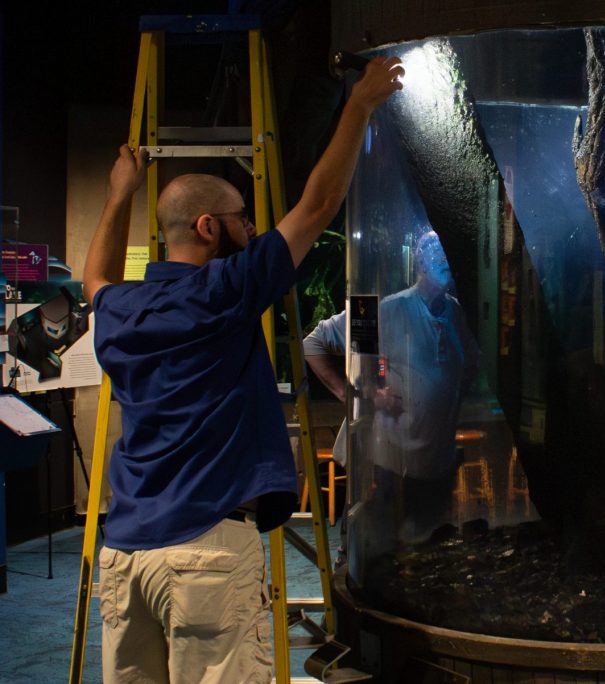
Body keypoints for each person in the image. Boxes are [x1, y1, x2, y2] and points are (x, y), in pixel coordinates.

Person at [82, 55, 403, 684]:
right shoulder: (221, 293)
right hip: (204, 552)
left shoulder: (121, 308)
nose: (253, 229)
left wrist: (120, 192)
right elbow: (314, 209)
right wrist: (358, 106)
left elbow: (95, 277)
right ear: (208, 227)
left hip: (123, 560)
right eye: (240, 220)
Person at [304, 231, 479, 554]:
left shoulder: (456, 314)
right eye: (436, 254)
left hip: (435, 467)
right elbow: (313, 344)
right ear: (420, 264)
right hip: (388, 468)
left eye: (447, 254)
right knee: (376, 552)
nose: (446, 261)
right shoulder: (387, 309)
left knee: (425, 557)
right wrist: (355, 395)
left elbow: (468, 368)